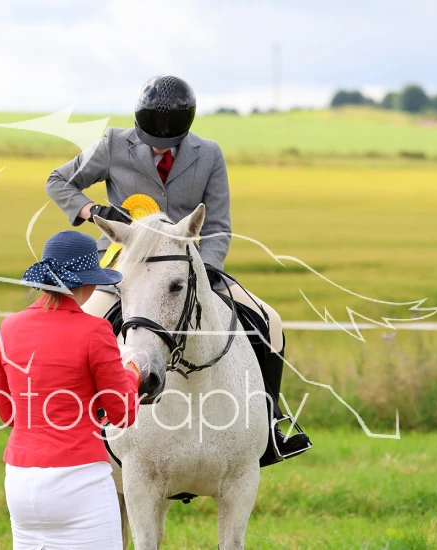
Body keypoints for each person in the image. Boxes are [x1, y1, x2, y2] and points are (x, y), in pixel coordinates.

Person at [45, 74, 311, 465]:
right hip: (124, 269)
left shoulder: (209, 154)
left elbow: (217, 224)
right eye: (151, 140)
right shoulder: (113, 144)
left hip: (187, 272)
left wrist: (205, 271)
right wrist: (92, 209)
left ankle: (270, 426)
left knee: (268, 320)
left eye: (167, 143)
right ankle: (75, 426)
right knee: (83, 326)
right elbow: (57, 180)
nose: (158, 147)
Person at [0, 230, 143, 550]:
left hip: (20, 479)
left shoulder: (9, 327)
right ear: (86, 283)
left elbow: (7, 412)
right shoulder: (95, 330)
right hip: (79, 480)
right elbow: (123, 413)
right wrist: (132, 371)